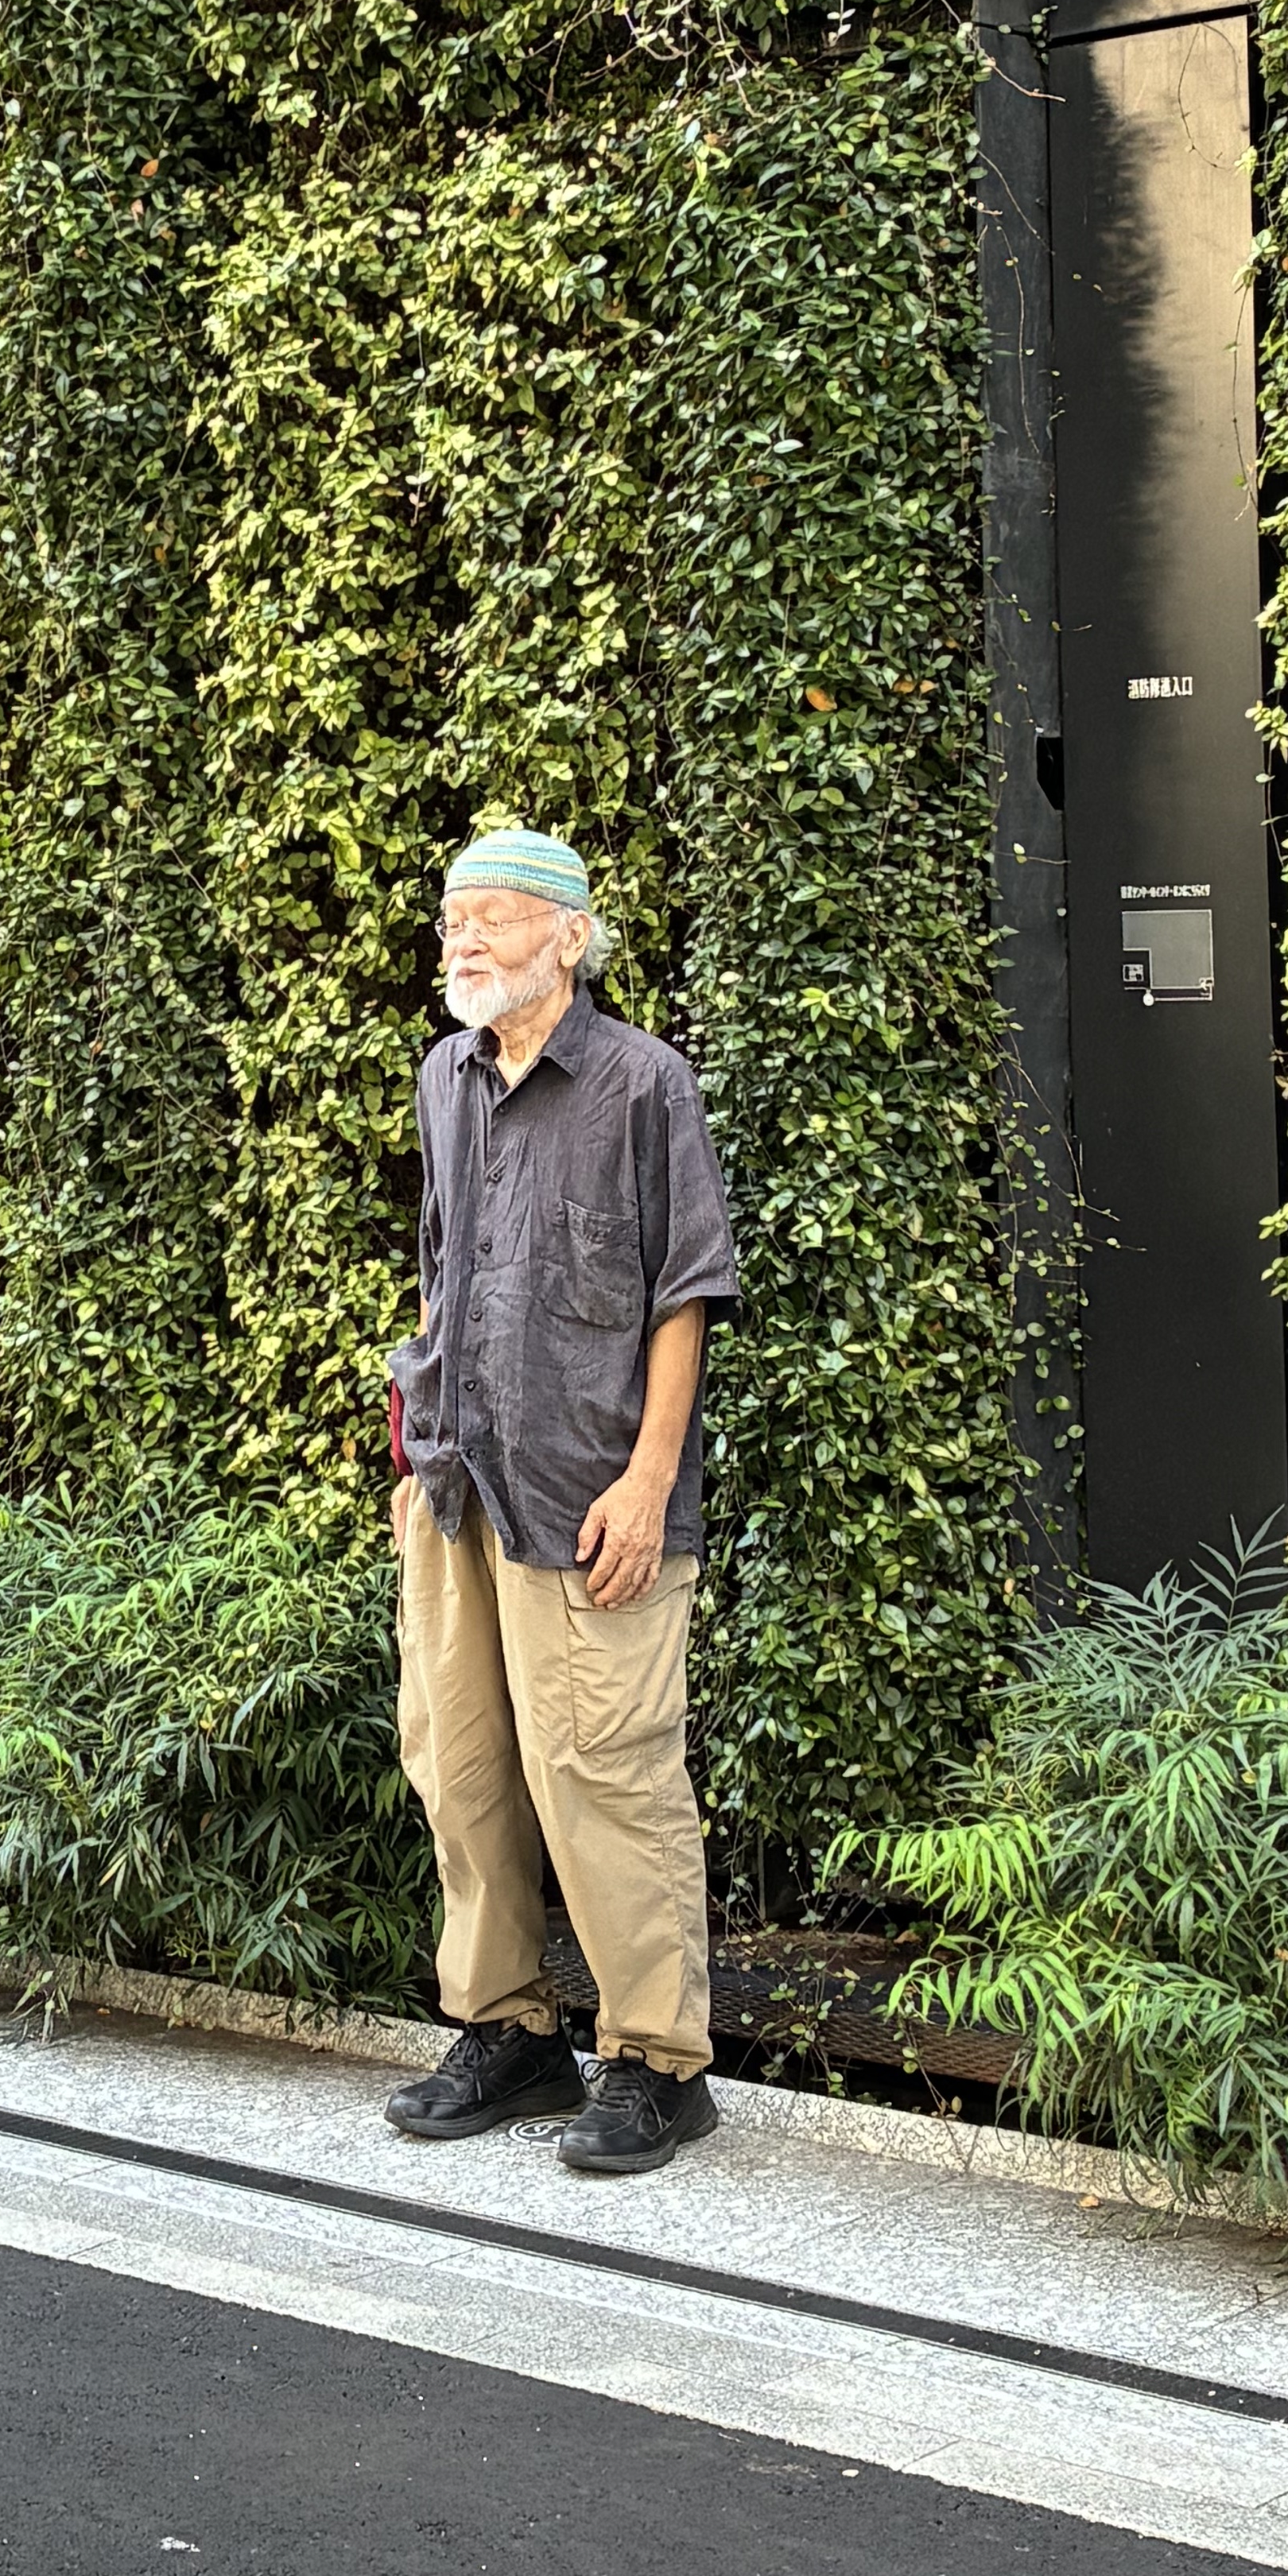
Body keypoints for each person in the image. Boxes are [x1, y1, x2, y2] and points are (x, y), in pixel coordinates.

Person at [382, 827, 741, 2175]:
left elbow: (686, 1291)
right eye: (449, 923)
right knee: (461, 1766)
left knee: (603, 1774)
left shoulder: (645, 1086)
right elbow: (442, 1267)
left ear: (569, 938)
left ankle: (659, 2061)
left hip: (594, 1497)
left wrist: (649, 1483)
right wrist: (417, 1433)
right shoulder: (446, 1078)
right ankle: (509, 2031)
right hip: (457, 1485)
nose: (460, 943)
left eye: (490, 919)